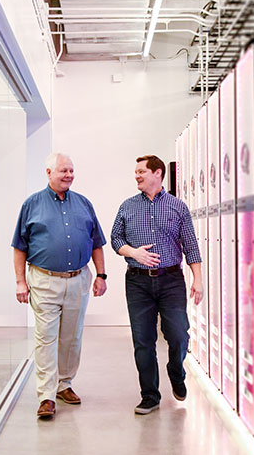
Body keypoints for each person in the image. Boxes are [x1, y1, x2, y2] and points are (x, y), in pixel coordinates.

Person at [12, 152, 107, 419]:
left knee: (72, 337)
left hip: (78, 280)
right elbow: (19, 247)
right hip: (43, 280)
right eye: (63, 170)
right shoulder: (32, 204)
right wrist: (20, 281)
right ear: (48, 173)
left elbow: (96, 242)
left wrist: (101, 275)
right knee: (45, 337)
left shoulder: (84, 204)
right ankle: (46, 395)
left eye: (71, 170)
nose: (68, 175)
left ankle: (65, 385)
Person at [111, 155, 203, 415]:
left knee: (178, 333)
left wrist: (198, 279)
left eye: (142, 171)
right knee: (143, 340)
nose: (137, 176)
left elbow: (191, 245)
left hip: (171, 280)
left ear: (158, 173)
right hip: (138, 282)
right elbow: (115, 238)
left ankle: (176, 371)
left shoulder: (178, 207)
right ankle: (150, 395)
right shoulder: (127, 206)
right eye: (136, 171)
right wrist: (133, 252)